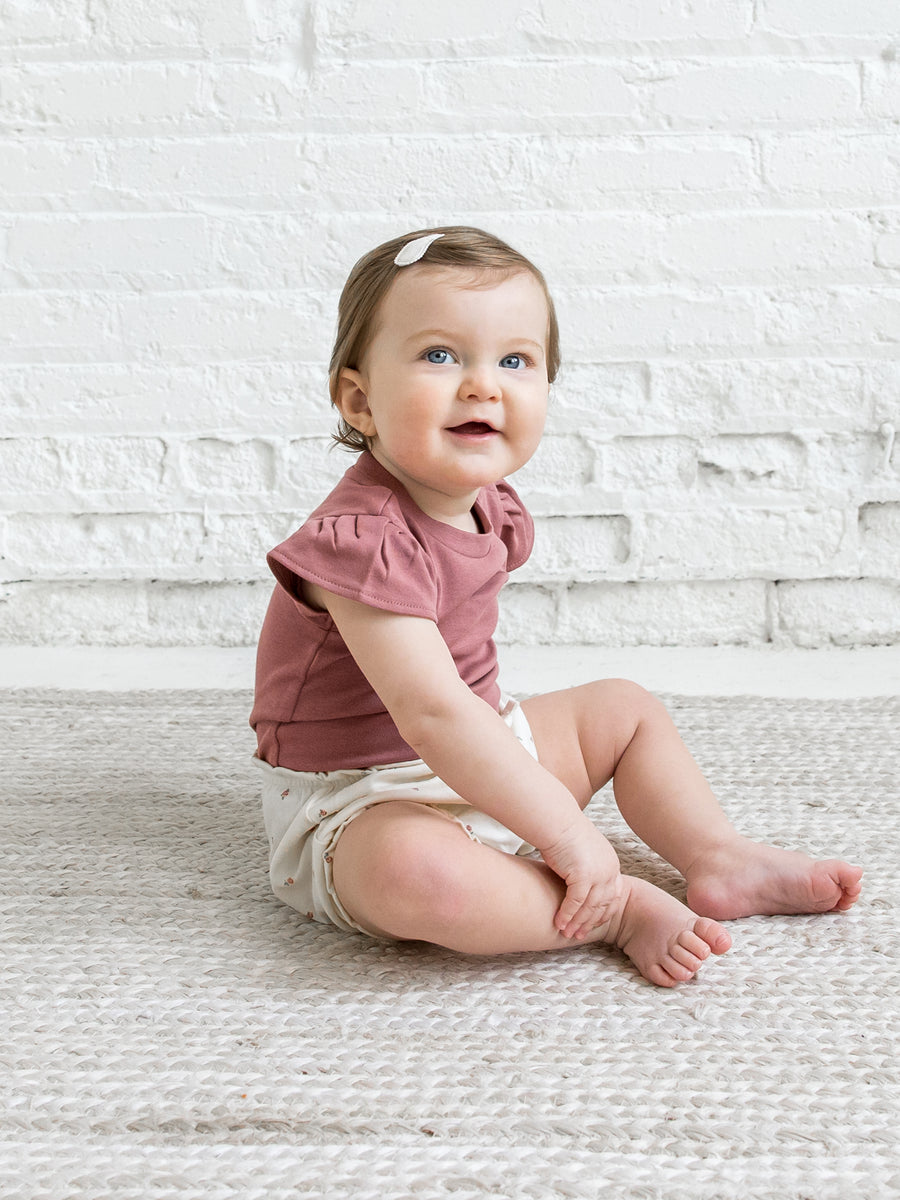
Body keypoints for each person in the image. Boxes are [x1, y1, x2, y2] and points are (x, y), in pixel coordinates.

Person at [250, 226, 863, 987]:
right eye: (440, 356)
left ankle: (718, 856)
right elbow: (433, 713)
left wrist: (524, 785)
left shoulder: (487, 506)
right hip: (365, 796)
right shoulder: (360, 542)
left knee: (624, 709)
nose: (483, 384)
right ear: (360, 399)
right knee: (416, 875)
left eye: (515, 360)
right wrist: (567, 833)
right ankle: (612, 910)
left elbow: (470, 719)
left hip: (485, 748)